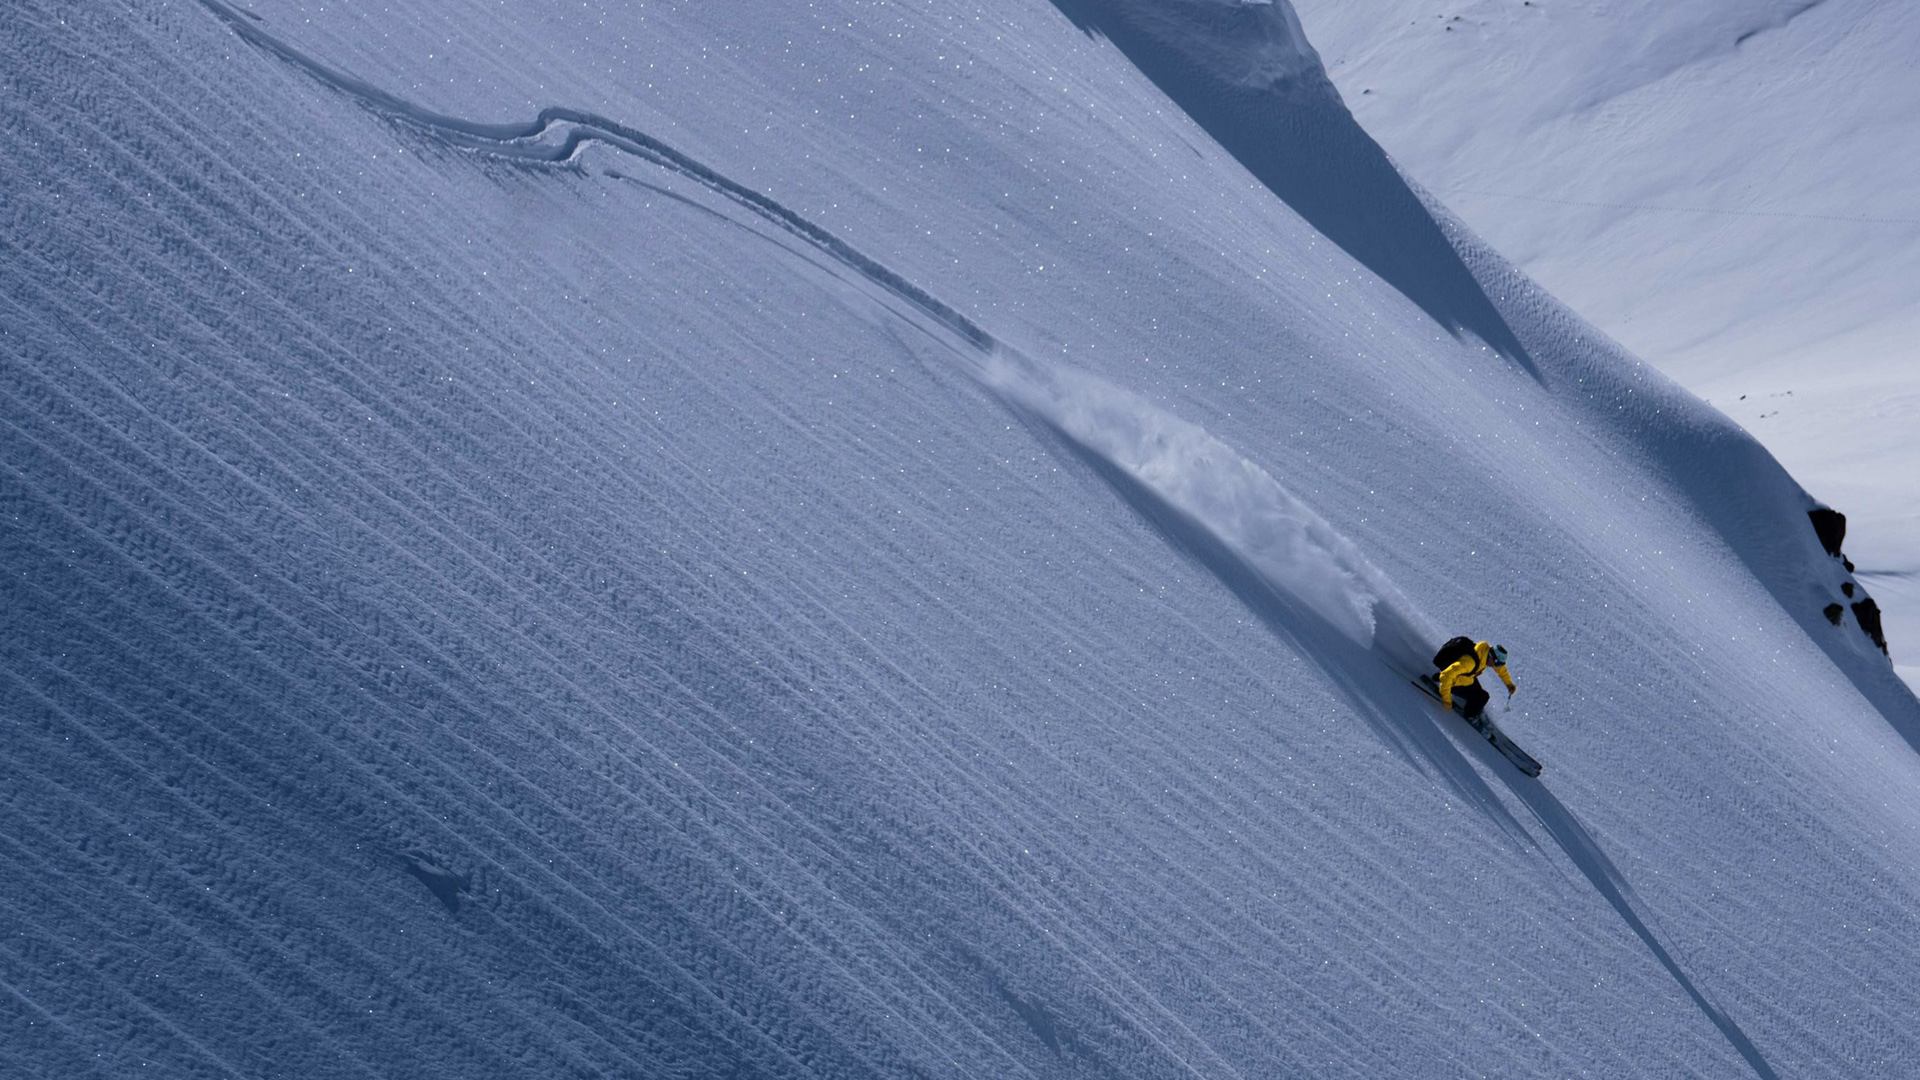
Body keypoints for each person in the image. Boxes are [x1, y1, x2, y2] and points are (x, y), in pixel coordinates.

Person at [1434, 640, 1515, 719]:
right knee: (1482, 697)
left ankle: (1474, 707)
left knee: (1480, 696)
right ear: (1492, 657)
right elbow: (1446, 675)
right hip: (1454, 682)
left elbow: (1501, 670)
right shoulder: (1470, 663)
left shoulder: (1483, 653)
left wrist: (1509, 684)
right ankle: (1470, 716)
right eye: (1497, 664)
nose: (1497, 666)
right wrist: (1446, 701)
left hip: (1465, 678)